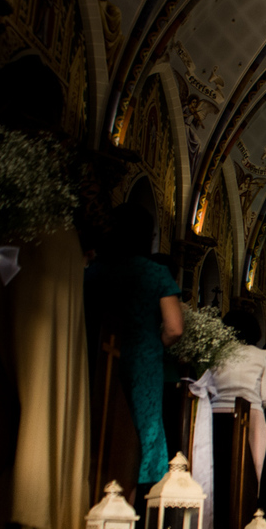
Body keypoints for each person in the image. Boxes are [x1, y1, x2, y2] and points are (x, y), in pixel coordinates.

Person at [86, 203, 183, 489]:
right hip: (141, 360)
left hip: (95, 354)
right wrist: (154, 342)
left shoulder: (94, 271)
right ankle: (133, 498)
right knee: (142, 428)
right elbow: (175, 328)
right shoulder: (154, 274)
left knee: (97, 421)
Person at [210, 310, 266, 529]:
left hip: (216, 415)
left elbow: (206, 384)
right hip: (252, 417)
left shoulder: (217, 352)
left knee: (215, 471)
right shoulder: (260, 355)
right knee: (251, 474)